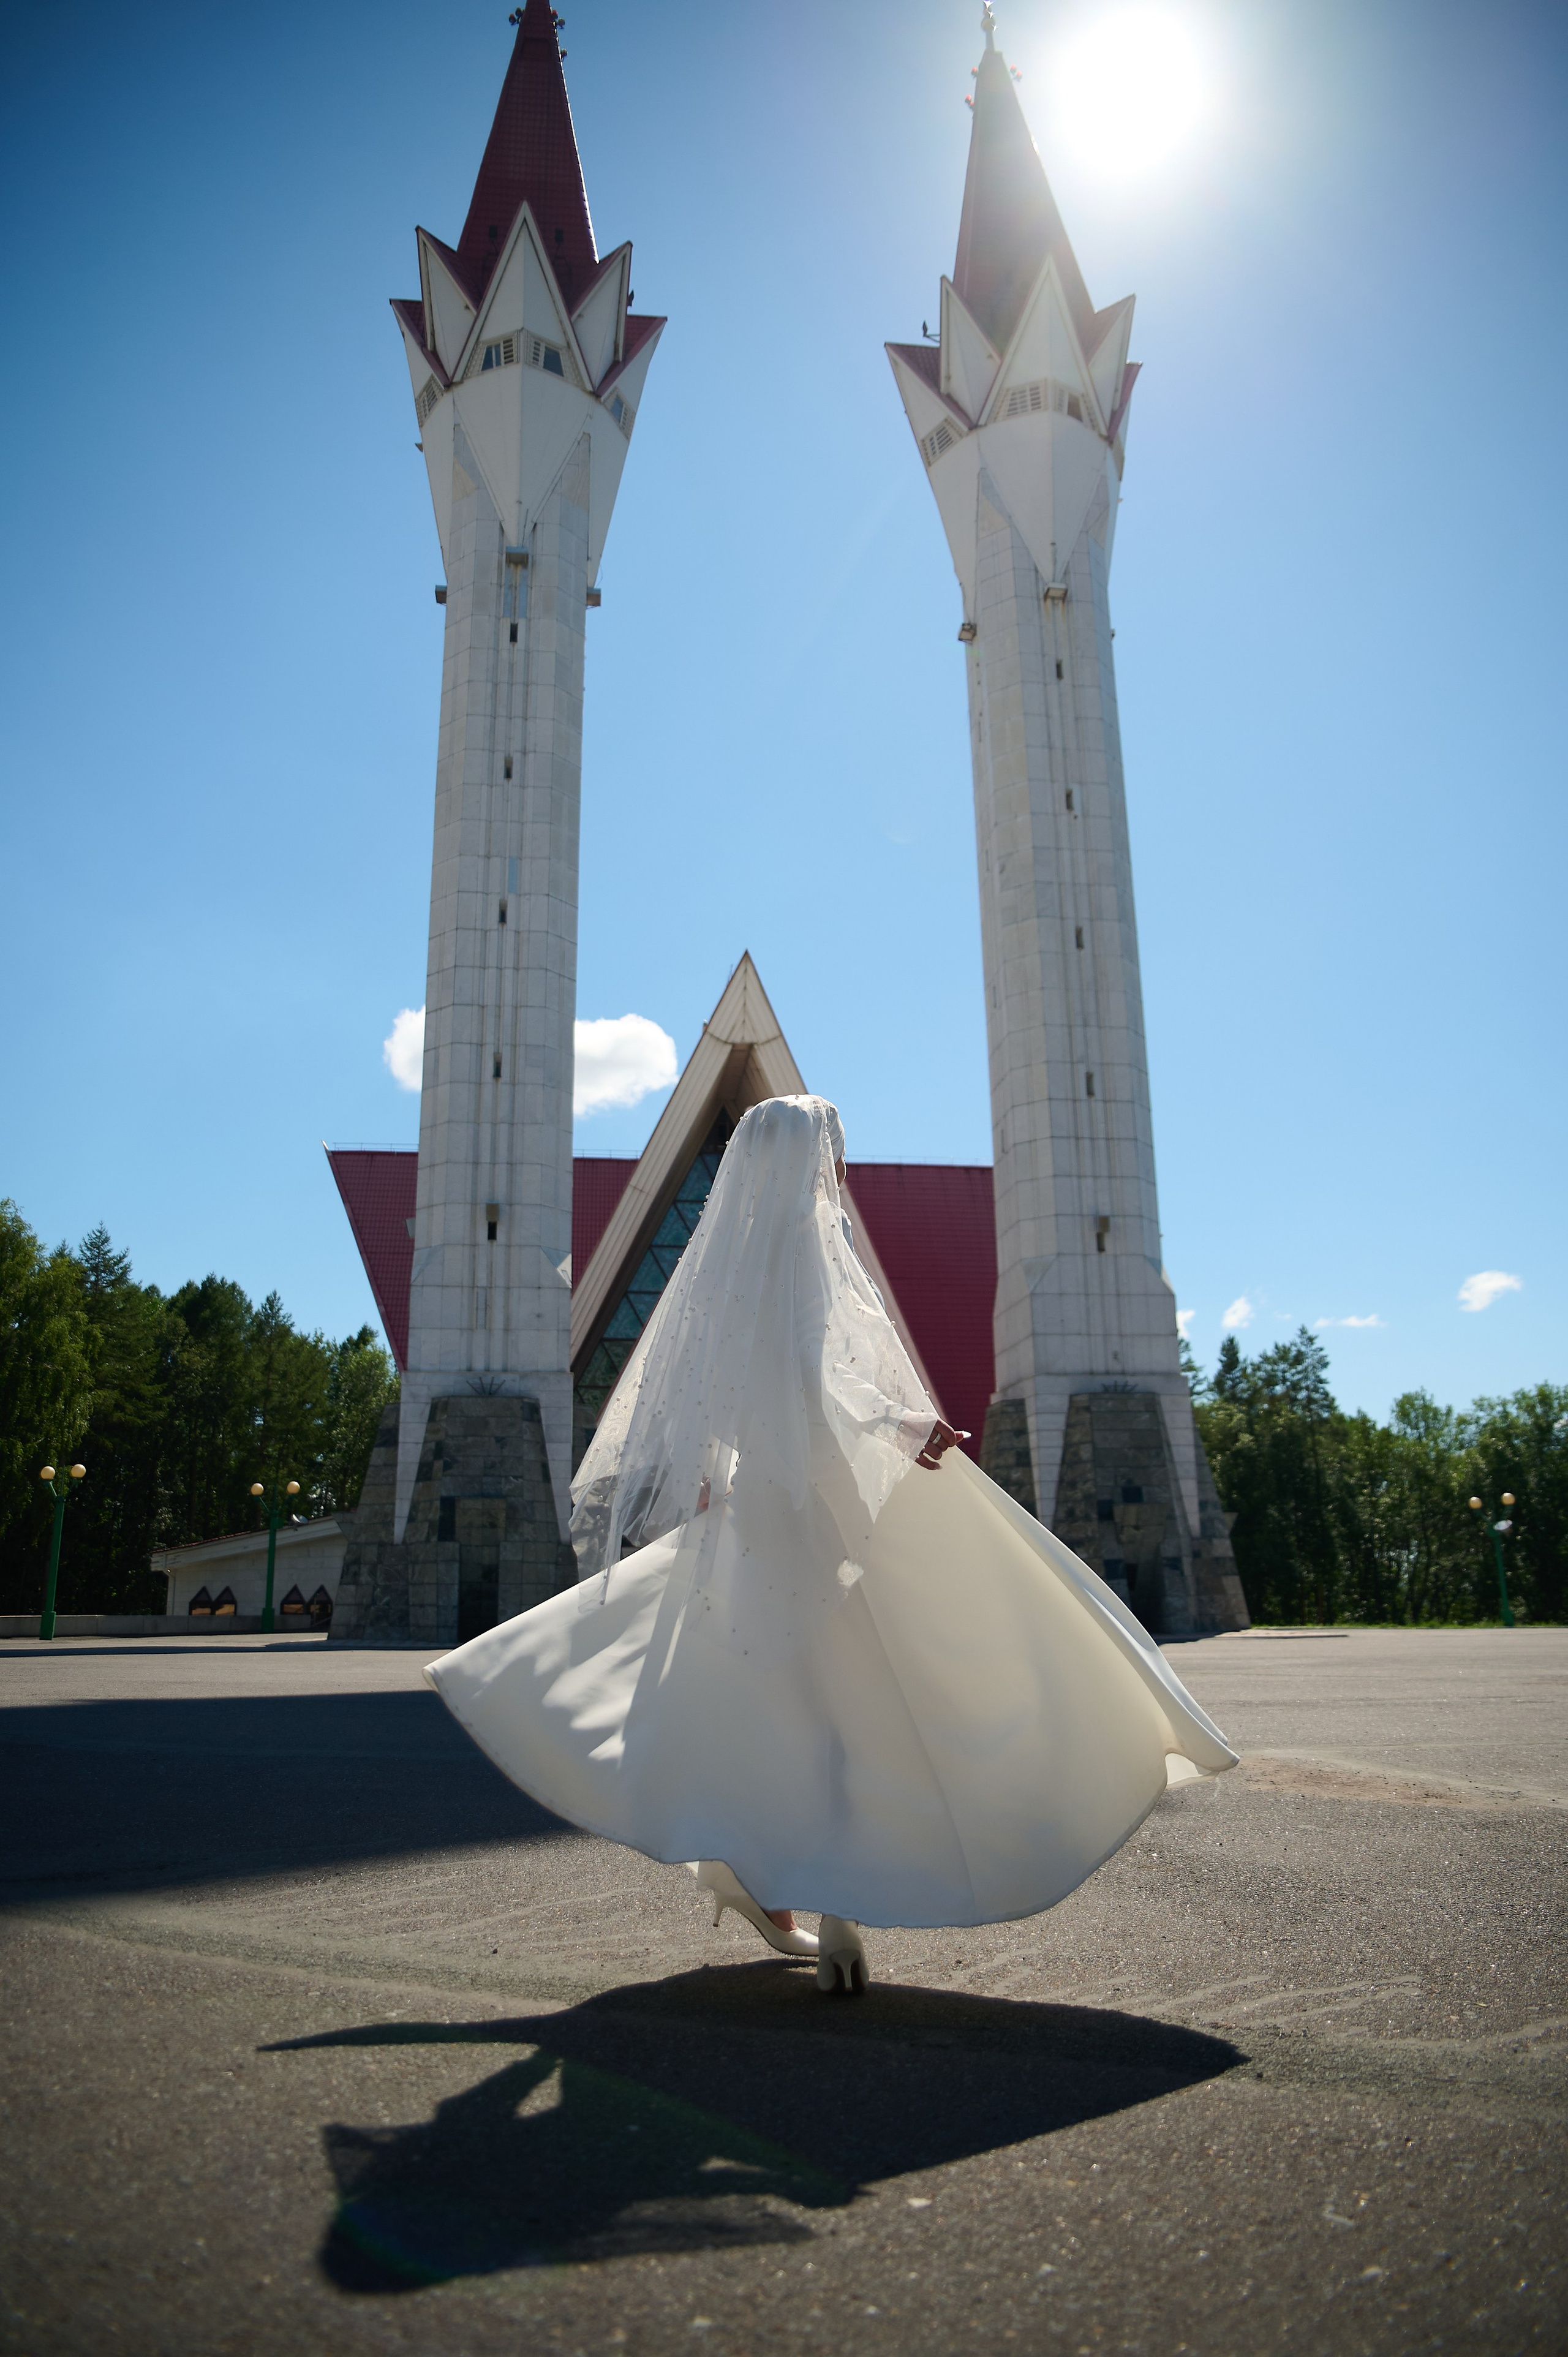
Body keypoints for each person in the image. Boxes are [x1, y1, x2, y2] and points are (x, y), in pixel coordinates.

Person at [424, 1095, 1235, 1996]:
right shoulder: (808, 1254)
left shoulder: (728, 1269)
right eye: (833, 1149)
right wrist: (904, 1425)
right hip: (823, 1517)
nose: (839, 1168)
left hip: (762, 1514)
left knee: (785, 1709)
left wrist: (728, 1477)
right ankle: (829, 1902)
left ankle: (766, 1884)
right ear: (813, 1158)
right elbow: (820, 1376)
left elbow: (727, 1398)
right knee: (861, 1710)